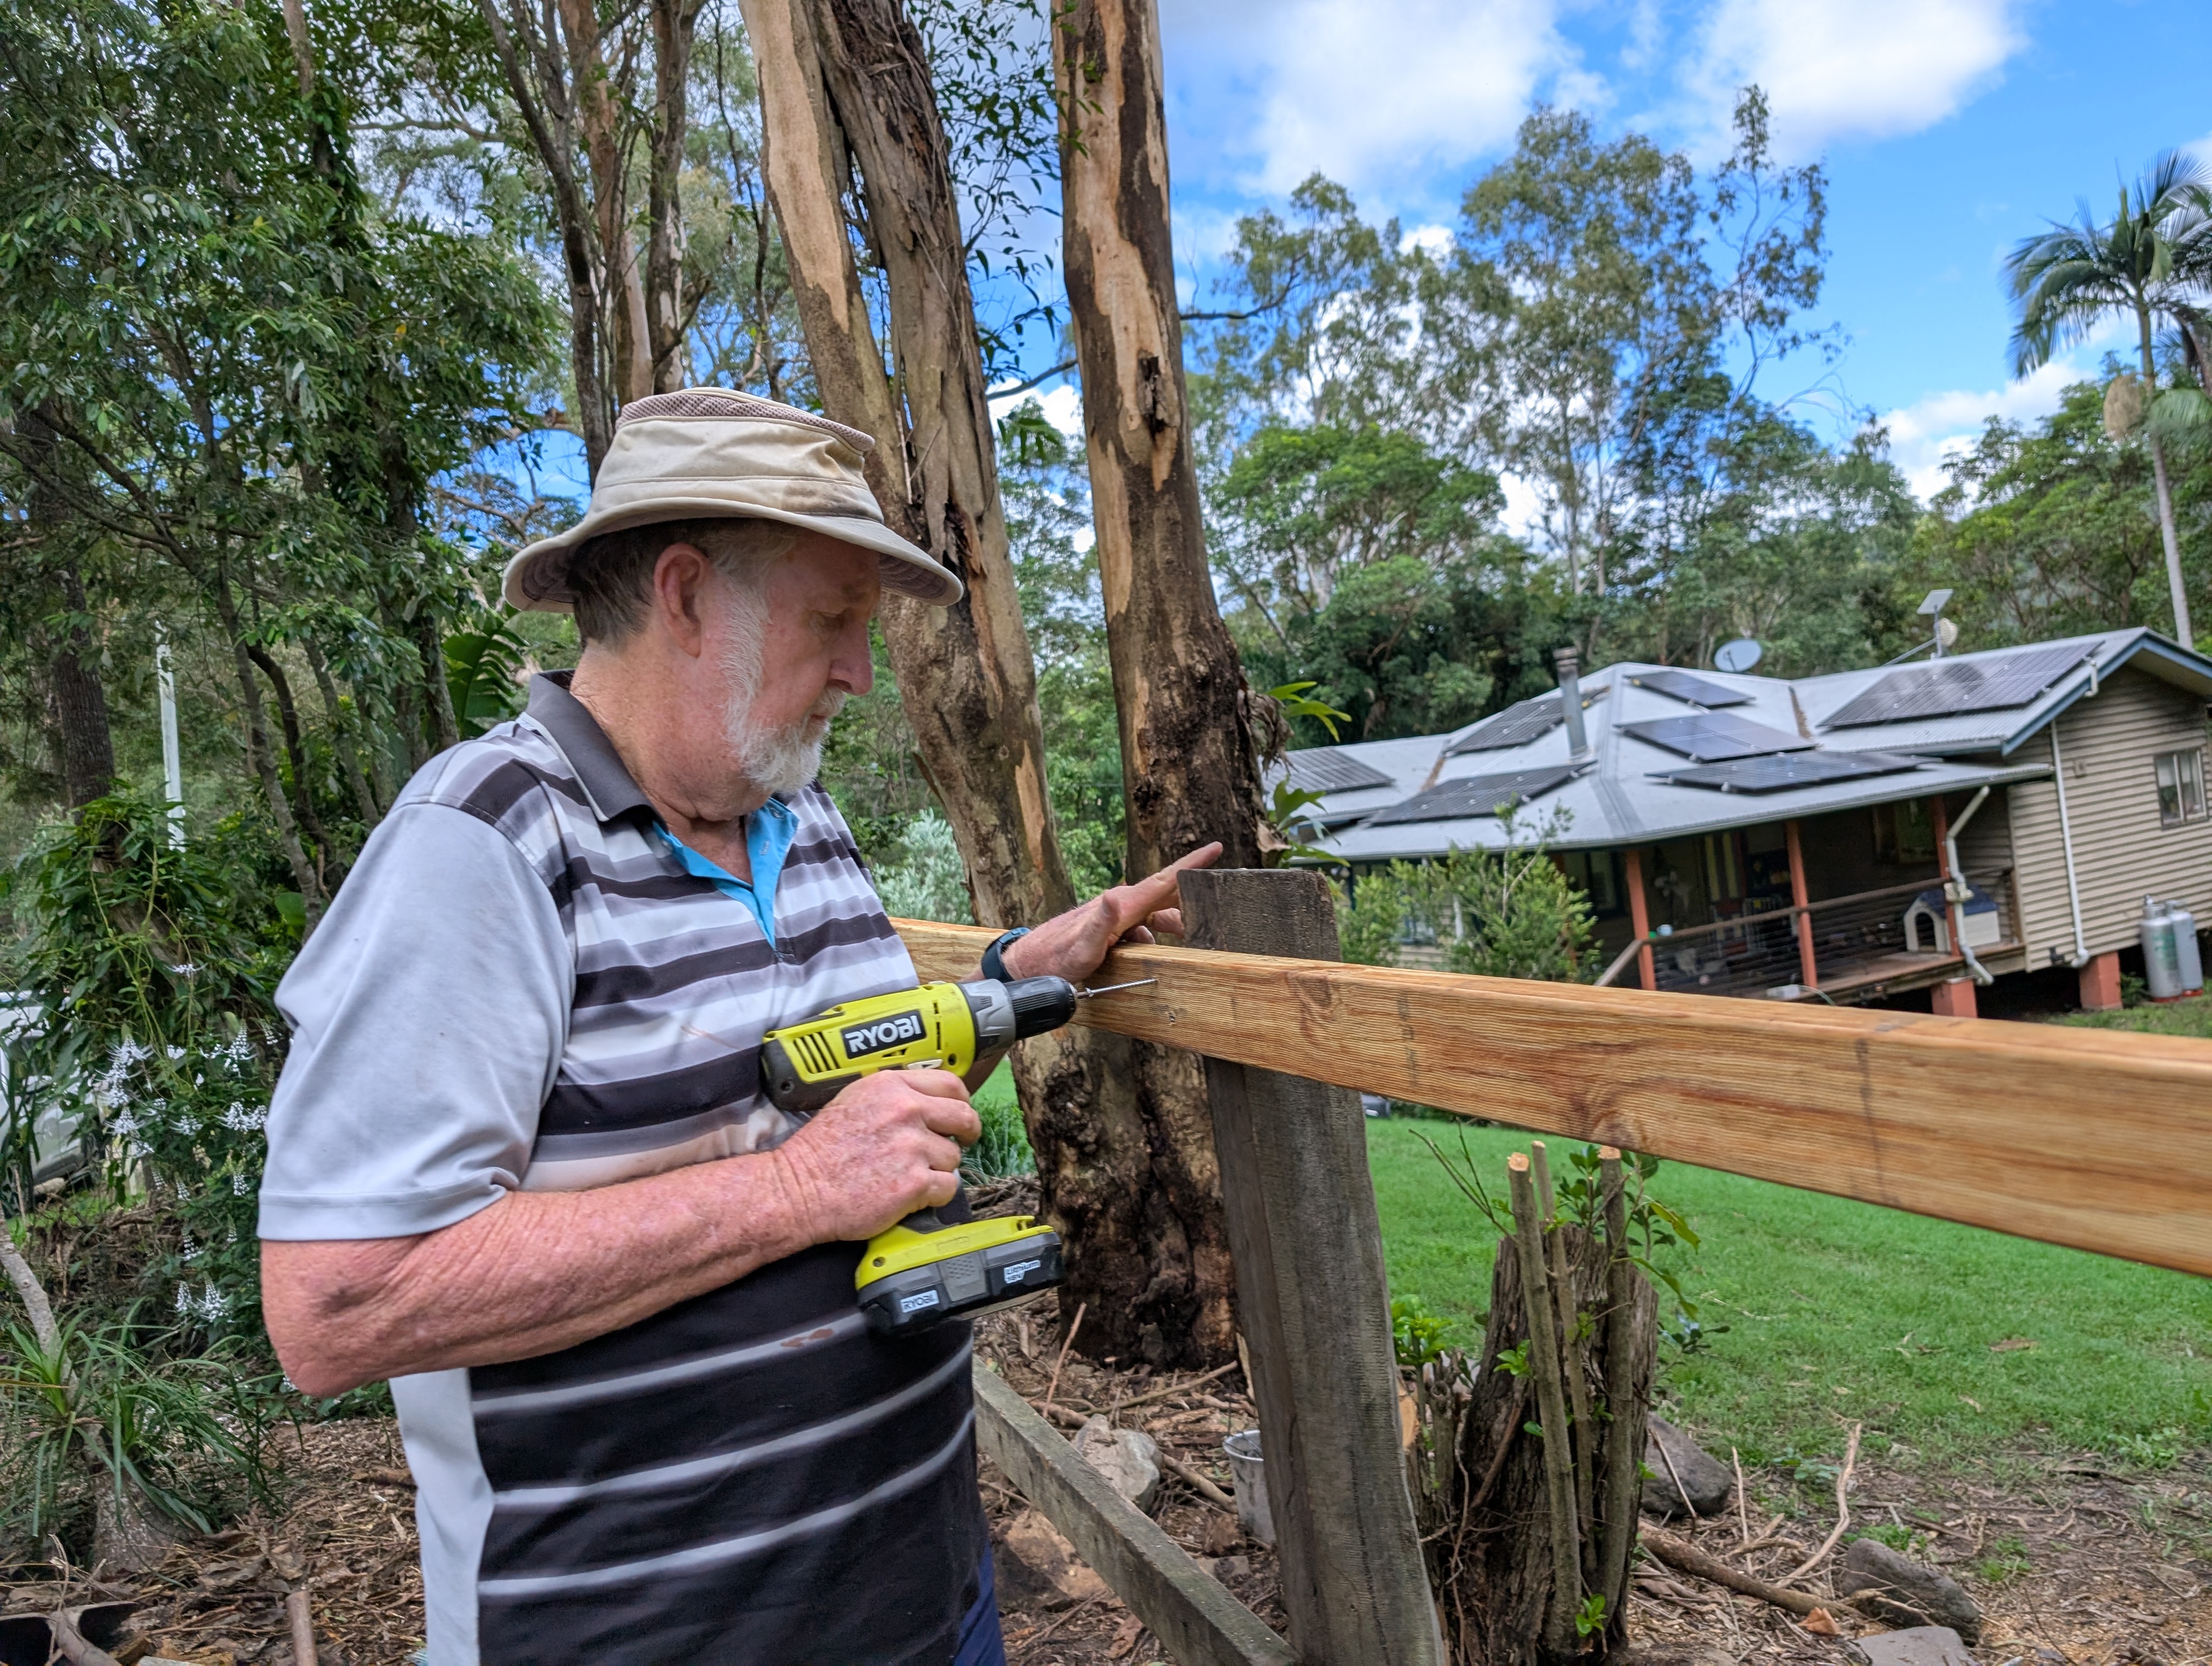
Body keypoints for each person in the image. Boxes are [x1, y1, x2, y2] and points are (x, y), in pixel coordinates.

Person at [258, 388, 1219, 1666]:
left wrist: (1010, 982)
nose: (858, 674)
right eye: (833, 620)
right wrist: (794, 1195)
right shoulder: (482, 844)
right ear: (687, 593)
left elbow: (837, 1098)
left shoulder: (798, 814)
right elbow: (338, 1302)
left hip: (926, 1599)